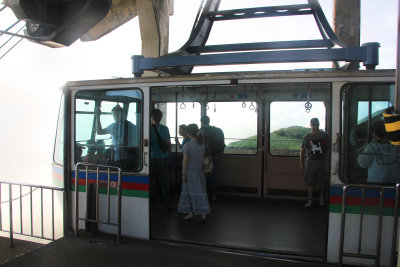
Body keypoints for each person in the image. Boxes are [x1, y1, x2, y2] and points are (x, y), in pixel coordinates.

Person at [178, 124, 211, 221]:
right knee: (200, 192)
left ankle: (190, 213)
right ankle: (203, 213)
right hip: (199, 173)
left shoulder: (187, 146)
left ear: (188, 133)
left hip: (189, 173)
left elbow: (185, 162)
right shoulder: (202, 144)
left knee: (188, 193)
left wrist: (183, 174)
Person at [300, 118, 330, 208]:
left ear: (319, 124)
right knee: (310, 181)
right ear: (310, 125)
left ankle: (321, 198)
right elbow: (303, 150)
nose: (315, 126)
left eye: (316, 124)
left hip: (322, 161)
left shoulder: (325, 135)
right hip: (311, 162)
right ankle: (310, 200)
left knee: (322, 181)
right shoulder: (307, 137)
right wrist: (301, 163)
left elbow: (330, 147)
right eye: (313, 124)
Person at [150, 109, 172, 212]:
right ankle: (169, 204)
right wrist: (168, 156)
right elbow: (168, 144)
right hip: (163, 159)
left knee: (152, 182)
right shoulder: (165, 128)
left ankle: (152, 203)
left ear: (152, 117)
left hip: (152, 159)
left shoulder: (148, 129)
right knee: (165, 183)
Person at [200, 115, 223, 201]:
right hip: (214, 155)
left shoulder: (200, 131)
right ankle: (213, 195)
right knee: (213, 175)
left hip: (203, 156)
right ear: (209, 121)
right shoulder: (216, 130)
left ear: (201, 121)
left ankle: (204, 194)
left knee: (203, 175)